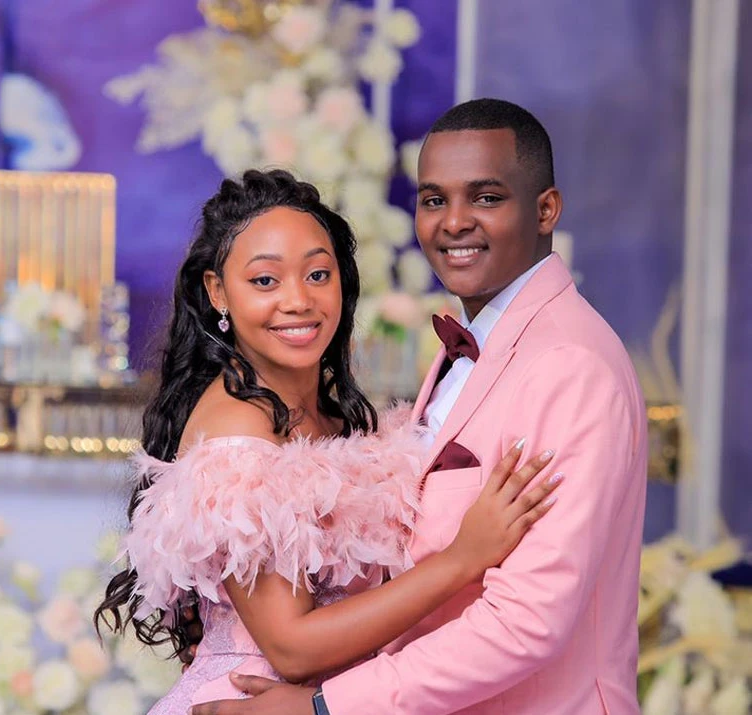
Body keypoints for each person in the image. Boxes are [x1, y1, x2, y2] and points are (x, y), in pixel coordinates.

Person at [191, 100, 648, 715]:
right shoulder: (471, 346)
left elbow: (528, 619)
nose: (454, 222)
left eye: (486, 198)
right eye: (434, 200)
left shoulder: (568, 365)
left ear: (545, 210)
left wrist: (324, 706)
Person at [95, 168, 562, 714]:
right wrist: (463, 558)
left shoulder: (327, 412)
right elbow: (291, 649)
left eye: (318, 274)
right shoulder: (239, 433)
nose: (298, 301)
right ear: (218, 291)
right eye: (265, 281)